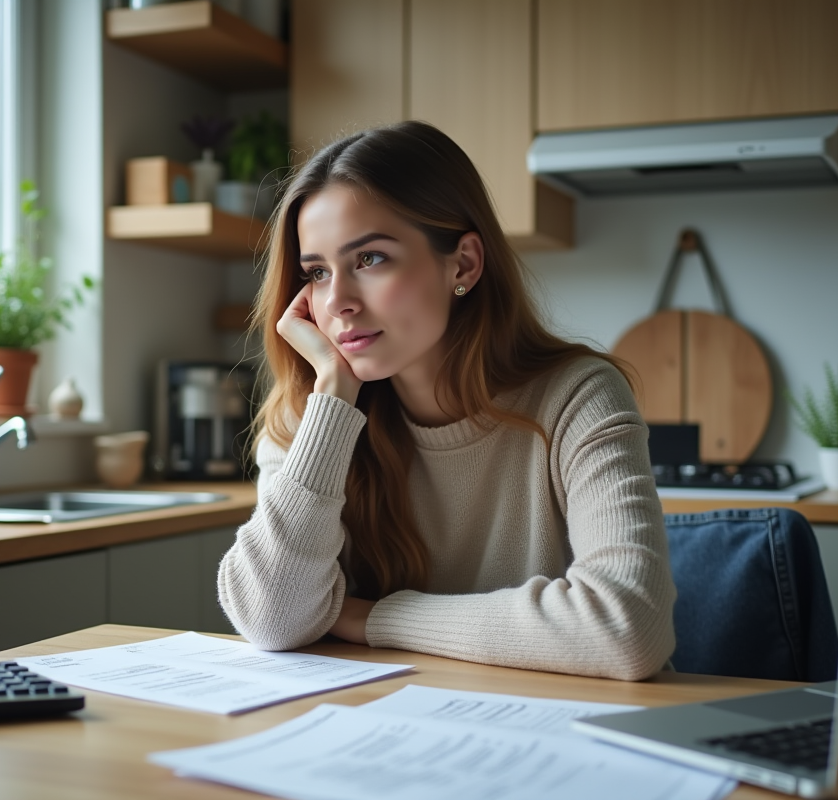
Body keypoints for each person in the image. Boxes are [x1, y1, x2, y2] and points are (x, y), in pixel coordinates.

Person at [217, 121, 676, 681]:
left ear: (462, 264)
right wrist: (335, 399)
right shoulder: (309, 418)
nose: (337, 302)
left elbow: (627, 630)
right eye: (316, 272)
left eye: (370, 259)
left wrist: (377, 619)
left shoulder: (578, 398)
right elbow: (271, 620)